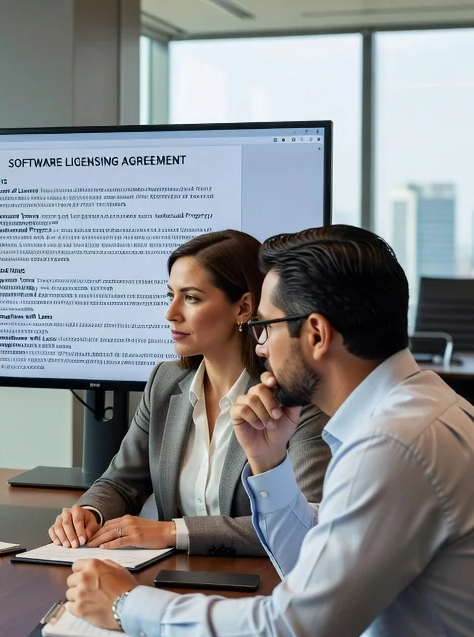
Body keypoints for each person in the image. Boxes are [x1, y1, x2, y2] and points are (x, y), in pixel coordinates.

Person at [65, 226, 474, 637]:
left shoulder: (394, 444)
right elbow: (316, 567)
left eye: (266, 328)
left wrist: (128, 604)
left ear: (317, 335)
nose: (259, 348)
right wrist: (269, 464)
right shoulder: (411, 411)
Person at [49, 230, 329, 556]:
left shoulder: (294, 397)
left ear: (243, 308)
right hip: (169, 581)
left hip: (261, 587)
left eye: (191, 298)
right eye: (171, 295)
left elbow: (305, 521)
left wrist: (172, 531)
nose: (171, 313)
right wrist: (88, 513)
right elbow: (120, 482)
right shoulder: (165, 381)